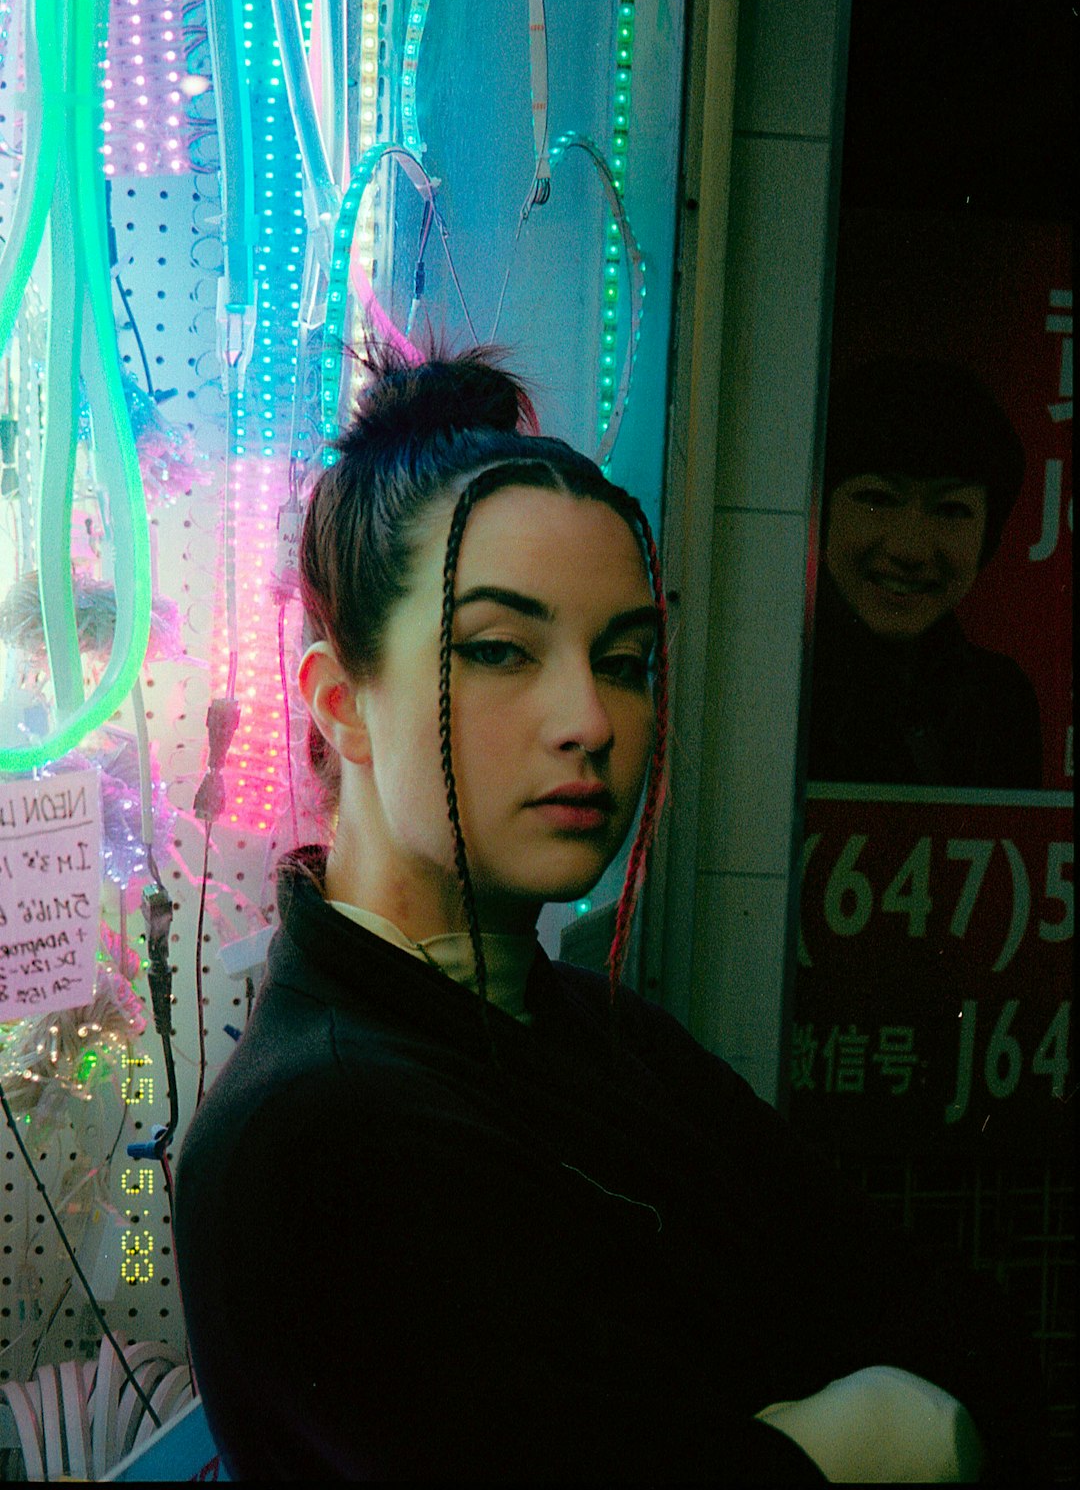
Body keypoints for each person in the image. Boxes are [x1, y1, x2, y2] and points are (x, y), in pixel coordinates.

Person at [175, 346, 1046, 1481]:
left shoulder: (597, 1028)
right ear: (342, 701)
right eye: (500, 650)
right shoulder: (304, 1142)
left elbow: (942, 1308)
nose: (589, 717)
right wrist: (852, 1439)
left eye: (627, 659)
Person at [808, 356, 1043, 788]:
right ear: (821, 512)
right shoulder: (774, 679)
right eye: (877, 499)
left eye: (952, 509)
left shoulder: (1001, 703)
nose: (910, 549)